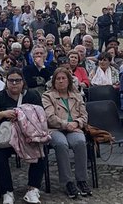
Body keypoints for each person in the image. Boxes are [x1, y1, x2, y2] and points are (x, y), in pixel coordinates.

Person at [0, 68, 45, 204]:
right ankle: (7, 191)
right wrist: (1, 115)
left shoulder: (32, 96)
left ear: (23, 82)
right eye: (11, 80)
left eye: (18, 80)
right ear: (6, 82)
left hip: (26, 136)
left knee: (41, 149)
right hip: (5, 138)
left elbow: (41, 116)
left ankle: (33, 189)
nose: (14, 83)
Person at [42, 66, 93, 198]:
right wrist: (66, 125)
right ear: (53, 82)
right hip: (55, 129)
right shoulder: (47, 96)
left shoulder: (77, 96)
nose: (60, 81)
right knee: (61, 144)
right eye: (57, 79)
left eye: (63, 78)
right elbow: (50, 117)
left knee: (81, 142)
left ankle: (81, 180)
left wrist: (76, 123)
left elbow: (84, 115)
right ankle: (68, 182)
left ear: (69, 80)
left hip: (74, 127)